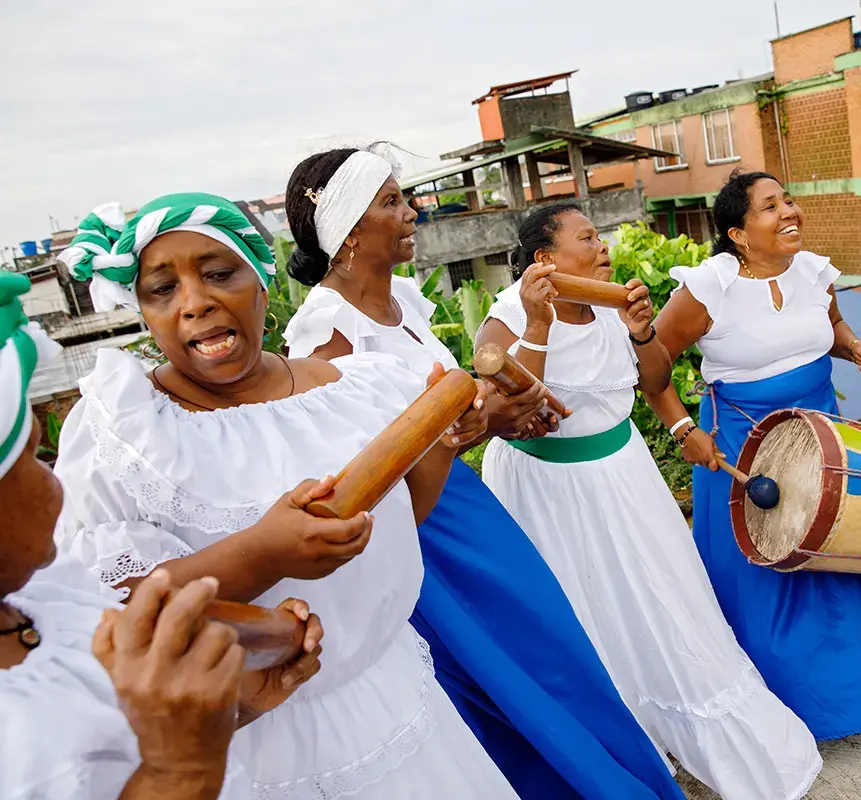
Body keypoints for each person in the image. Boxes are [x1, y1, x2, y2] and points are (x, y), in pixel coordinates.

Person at [52, 193, 520, 799]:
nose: (195, 303)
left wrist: (440, 445)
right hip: (249, 735)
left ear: (263, 281)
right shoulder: (120, 431)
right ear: (143, 313)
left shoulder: (359, 388)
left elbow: (405, 521)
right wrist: (262, 555)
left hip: (388, 692)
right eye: (162, 290)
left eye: (220, 274)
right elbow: (106, 610)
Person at [281, 147, 683, 800]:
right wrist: (471, 428)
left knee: (555, 655)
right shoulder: (324, 334)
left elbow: (448, 417)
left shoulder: (405, 300)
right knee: (503, 683)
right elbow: (347, 474)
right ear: (350, 229)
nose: (412, 211)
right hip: (420, 538)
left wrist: (497, 415)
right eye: (391, 202)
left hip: (469, 505)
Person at [476, 201, 823, 800]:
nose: (602, 247)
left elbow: (656, 382)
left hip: (624, 473)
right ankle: (616, 745)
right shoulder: (508, 316)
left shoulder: (614, 303)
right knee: (579, 611)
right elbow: (504, 407)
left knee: (665, 596)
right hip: (545, 489)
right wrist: (537, 325)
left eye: (600, 235)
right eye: (586, 238)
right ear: (545, 259)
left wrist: (641, 330)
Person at [0, 270, 322, 799]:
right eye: (34, 460)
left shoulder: (51, 601)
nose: (55, 488)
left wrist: (237, 707)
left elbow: (114, 751)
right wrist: (179, 773)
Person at [642, 171, 861, 741]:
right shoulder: (707, 288)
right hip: (744, 448)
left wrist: (857, 351)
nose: (789, 212)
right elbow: (650, 369)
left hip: (823, 435)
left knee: (836, 550)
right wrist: (682, 429)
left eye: (789, 200)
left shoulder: (814, 272)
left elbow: (834, 331)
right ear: (739, 233)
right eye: (770, 207)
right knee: (767, 571)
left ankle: (859, 690)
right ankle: (777, 708)